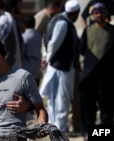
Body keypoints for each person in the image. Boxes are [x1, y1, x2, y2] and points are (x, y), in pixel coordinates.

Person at [39, 0, 80, 132]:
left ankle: (55, 127)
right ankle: (59, 129)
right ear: (76, 13)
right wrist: (46, 58)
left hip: (58, 67)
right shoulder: (63, 23)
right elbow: (53, 43)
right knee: (61, 100)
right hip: (60, 68)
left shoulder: (58, 19)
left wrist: (46, 57)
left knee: (55, 99)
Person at [79, 2, 114, 141]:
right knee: (88, 106)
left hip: (107, 76)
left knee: (107, 107)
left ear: (106, 14)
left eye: (101, 12)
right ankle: (89, 132)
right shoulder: (87, 31)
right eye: (96, 13)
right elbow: (81, 50)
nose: (99, 15)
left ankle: (103, 134)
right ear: (92, 15)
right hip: (89, 75)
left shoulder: (112, 31)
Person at [0, 0, 23, 68]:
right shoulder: (4, 20)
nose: (21, 7)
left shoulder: (13, 20)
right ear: (13, 6)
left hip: (14, 65)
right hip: (6, 66)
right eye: (19, 4)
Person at [21, 16, 42, 87]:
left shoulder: (24, 37)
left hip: (27, 66)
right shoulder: (39, 35)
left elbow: (22, 52)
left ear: (24, 25)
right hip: (37, 66)